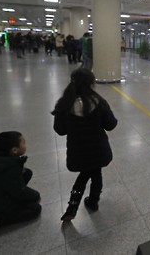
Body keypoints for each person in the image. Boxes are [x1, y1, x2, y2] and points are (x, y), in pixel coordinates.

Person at [51, 68, 117, 221]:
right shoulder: (98, 102)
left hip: (77, 152)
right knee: (95, 173)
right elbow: (111, 124)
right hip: (98, 150)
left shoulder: (64, 104)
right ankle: (92, 202)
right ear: (91, 83)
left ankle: (73, 206)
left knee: (88, 172)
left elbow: (60, 130)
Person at [0, 131, 41, 242]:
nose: (26, 144)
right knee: (35, 209)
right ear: (14, 150)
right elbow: (20, 191)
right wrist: (36, 196)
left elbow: (14, 184)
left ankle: (1, 209)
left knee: (26, 173)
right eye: (23, 142)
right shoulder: (8, 168)